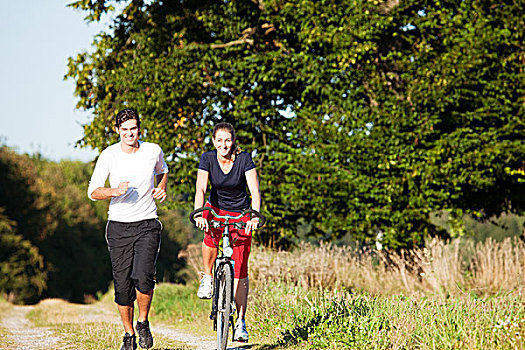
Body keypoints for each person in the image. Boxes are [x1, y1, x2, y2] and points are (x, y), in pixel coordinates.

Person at [87, 108, 168, 350]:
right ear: (117, 131)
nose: (129, 133)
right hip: (118, 226)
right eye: (124, 130)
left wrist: (161, 187)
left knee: (143, 276)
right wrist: (114, 191)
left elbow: (162, 171)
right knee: (122, 287)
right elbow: (93, 191)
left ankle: (143, 322)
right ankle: (129, 334)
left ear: (139, 129)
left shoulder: (153, 151)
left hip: (147, 223)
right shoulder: (109, 155)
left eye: (133, 128)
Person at [193, 122, 261, 343]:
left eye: (228, 140)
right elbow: (201, 188)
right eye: (219, 140)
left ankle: (240, 322)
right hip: (215, 208)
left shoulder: (244, 159)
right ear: (214, 141)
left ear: (233, 142)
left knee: (241, 268)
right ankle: (208, 277)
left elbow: (255, 191)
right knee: (209, 234)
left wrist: (254, 215)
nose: (224, 144)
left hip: (240, 211)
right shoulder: (207, 159)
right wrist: (200, 213)